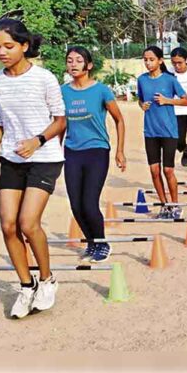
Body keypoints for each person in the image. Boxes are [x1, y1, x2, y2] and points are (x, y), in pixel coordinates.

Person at [0, 18, 66, 319]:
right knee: (8, 225)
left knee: (28, 223)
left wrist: (37, 141)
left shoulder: (44, 78)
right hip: (11, 159)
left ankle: (47, 280)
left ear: (24, 46)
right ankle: (26, 286)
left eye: (8, 46)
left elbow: (60, 121)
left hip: (45, 157)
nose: (1, 52)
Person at [61, 46, 126, 263]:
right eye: (70, 60)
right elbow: (60, 123)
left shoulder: (101, 91)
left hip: (97, 150)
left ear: (88, 65)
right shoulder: (63, 92)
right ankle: (91, 242)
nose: (73, 64)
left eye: (79, 60)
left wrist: (120, 151)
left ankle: (101, 243)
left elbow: (119, 120)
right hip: (71, 151)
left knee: (89, 203)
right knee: (75, 205)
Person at [137, 46, 187, 219]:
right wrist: (142, 105)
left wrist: (167, 101)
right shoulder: (141, 80)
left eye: (151, 59)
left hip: (168, 131)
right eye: (145, 60)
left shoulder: (170, 80)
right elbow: (140, 99)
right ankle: (164, 206)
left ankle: (175, 205)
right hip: (150, 132)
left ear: (160, 61)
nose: (148, 63)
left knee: (168, 170)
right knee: (154, 171)